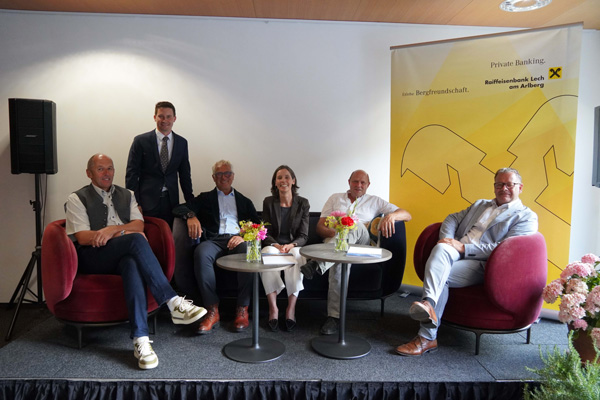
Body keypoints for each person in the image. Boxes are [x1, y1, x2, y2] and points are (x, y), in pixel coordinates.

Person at [65, 154, 206, 370]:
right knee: (136, 240)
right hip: (93, 256)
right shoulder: (77, 198)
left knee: (131, 262)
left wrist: (112, 230)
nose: (107, 173)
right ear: (89, 173)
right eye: (101, 169)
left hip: (122, 252)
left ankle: (141, 340)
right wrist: (123, 232)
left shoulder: (127, 194)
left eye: (110, 168)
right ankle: (172, 301)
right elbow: (83, 237)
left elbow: (139, 225)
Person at [395, 167, 538, 356]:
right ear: (494, 187)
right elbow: (452, 219)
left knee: (441, 274)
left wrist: (463, 248)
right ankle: (428, 310)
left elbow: (507, 249)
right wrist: (447, 240)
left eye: (509, 184)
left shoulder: (526, 216)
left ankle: (426, 336)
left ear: (520, 187)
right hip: (454, 251)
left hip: (483, 263)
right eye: (499, 184)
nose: (504, 188)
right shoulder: (480, 204)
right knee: (441, 252)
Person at [301, 169, 412, 335]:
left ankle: (317, 264)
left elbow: (407, 215)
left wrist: (391, 217)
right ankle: (334, 317)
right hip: (335, 245)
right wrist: (338, 233)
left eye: (362, 182)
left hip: (361, 245)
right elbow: (320, 227)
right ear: (349, 182)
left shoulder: (375, 201)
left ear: (368, 185)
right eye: (355, 181)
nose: (358, 185)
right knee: (339, 260)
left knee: (354, 225)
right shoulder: (335, 198)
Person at [172, 160, 260, 334]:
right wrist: (191, 215)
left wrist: (242, 236)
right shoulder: (205, 198)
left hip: (237, 240)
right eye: (219, 174)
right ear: (213, 177)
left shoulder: (244, 201)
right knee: (201, 252)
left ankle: (242, 309)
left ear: (232, 176)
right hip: (213, 240)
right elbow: (178, 208)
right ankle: (212, 309)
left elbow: (257, 225)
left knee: (249, 252)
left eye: (227, 173)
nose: (223, 177)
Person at [126, 101, 194, 228]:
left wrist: (191, 203)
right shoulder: (140, 141)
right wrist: (135, 204)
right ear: (154, 117)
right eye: (161, 116)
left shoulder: (182, 143)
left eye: (168, 117)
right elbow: (132, 175)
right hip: (146, 202)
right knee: (148, 235)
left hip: (171, 203)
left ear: (174, 118)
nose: (165, 120)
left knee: (168, 235)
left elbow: (185, 174)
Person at [260, 165, 310, 332]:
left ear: (293, 181)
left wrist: (291, 245)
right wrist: (276, 245)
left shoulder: (303, 203)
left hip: (293, 245)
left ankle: (291, 308)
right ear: (275, 182)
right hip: (274, 245)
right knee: (267, 254)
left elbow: (303, 235)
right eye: (279, 178)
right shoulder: (268, 202)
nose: (283, 180)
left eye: (287, 177)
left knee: (297, 255)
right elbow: (265, 231)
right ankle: (273, 308)